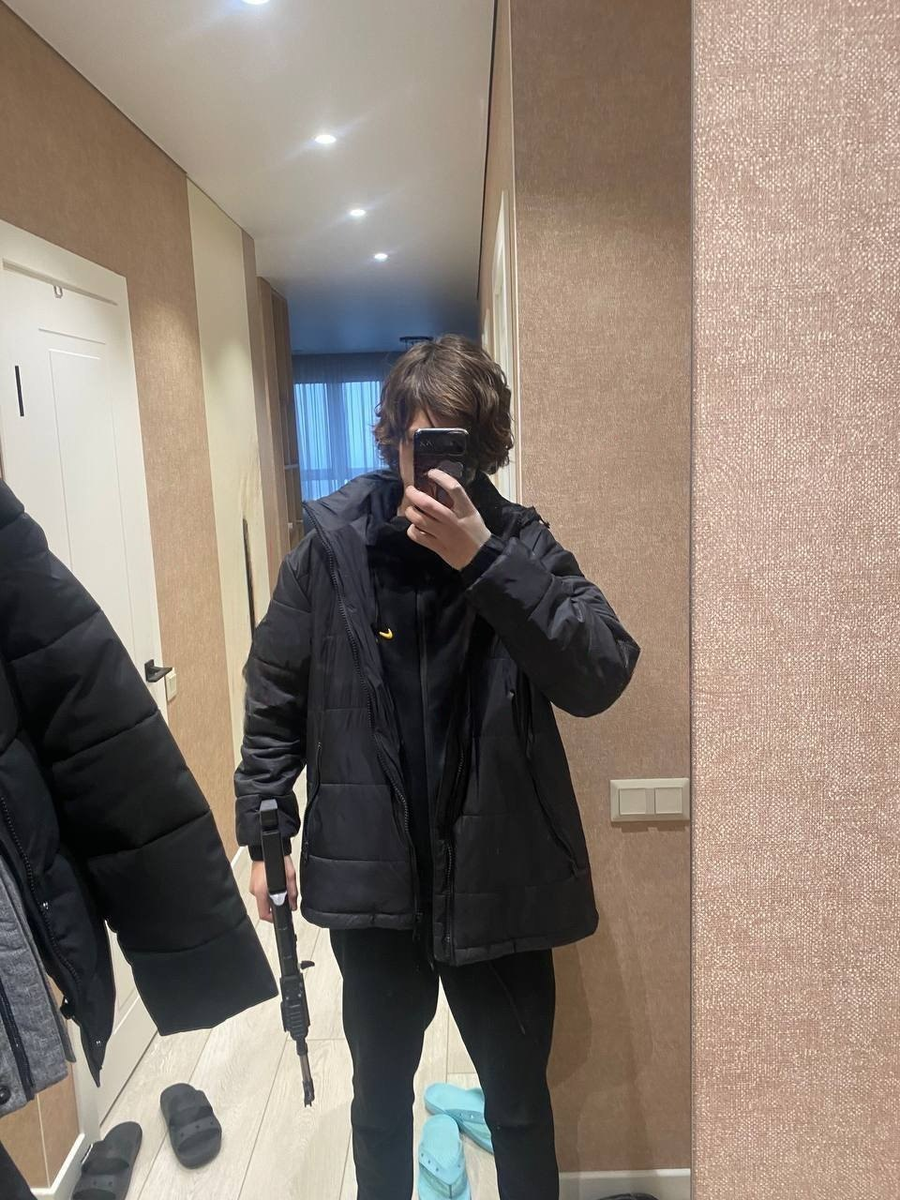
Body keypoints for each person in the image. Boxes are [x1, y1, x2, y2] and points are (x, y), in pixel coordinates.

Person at [235, 334, 641, 1200]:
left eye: (458, 444)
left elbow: (601, 671)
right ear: (393, 438)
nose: (436, 466)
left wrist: (484, 560)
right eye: (422, 442)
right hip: (375, 886)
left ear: (485, 448)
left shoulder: (519, 541)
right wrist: (265, 836)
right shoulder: (333, 548)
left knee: (520, 1109)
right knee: (378, 1102)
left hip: (500, 885)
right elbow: (275, 694)